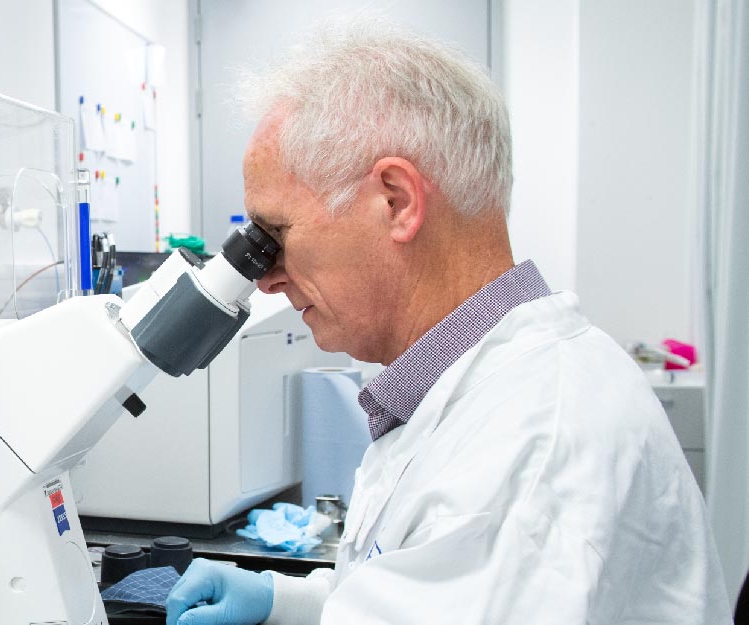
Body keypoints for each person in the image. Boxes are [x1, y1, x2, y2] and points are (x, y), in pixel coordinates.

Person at [166, 15, 732, 625]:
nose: (266, 278)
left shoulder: (529, 454)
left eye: (275, 233)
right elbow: (418, 587)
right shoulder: (481, 388)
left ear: (397, 201)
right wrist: (287, 601)